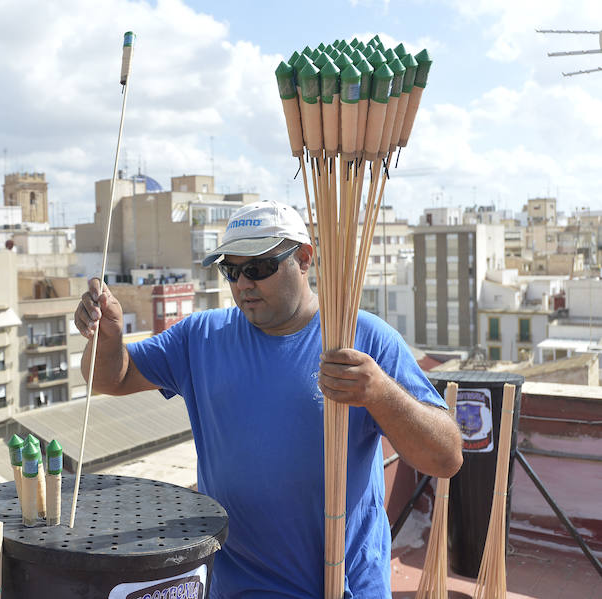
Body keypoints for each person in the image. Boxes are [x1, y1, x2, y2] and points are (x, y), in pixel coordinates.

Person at [74, 200, 462, 598]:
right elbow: (112, 377)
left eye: (259, 268)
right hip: (234, 588)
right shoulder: (201, 337)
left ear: (304, 259)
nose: (243, 284)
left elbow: (446, 457)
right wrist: (107, 338)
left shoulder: (360, 338)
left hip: (341, 589)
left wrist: (380, 393)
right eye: (231, 270)